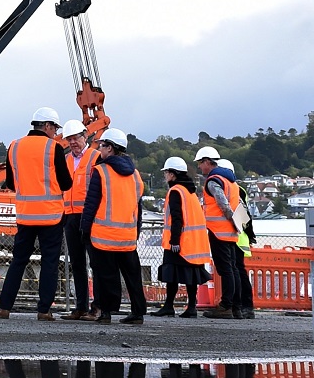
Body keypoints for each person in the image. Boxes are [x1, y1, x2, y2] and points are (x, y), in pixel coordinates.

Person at [0, 105, 70, 320]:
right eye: (55, 128)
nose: (56, 133)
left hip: (25, 215)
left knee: (18, 260)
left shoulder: (14, 146)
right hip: (51, 216)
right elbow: (65, 183)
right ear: (47, 126)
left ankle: (4, 308)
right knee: (50, 262)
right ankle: (44, 310)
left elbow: (11, 183)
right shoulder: (52, 148)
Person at [81, 128, 146, 324]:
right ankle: (137, 312)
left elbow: (91, 203)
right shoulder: (135, 175)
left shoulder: (101, 171)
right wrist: (136, 231)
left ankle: (106, 312)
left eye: (102, 145)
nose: (100, 149)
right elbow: (139, 206)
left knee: (104, 275)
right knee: (133, 276)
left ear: (110, 148)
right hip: (127, 235)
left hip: (103, 234)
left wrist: (84, 228)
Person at [153, 157, 210, 317]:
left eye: (166, 172)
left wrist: (174, 241)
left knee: (172, 274)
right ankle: (191, 307)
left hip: (180, 241)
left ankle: (169, 306)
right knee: (190, 275)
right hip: (193, 242)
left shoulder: (176, 191)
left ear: (173, 174)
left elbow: (177, 218)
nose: (165, 175)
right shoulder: (190, 191)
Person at [194, 148, 244, 319]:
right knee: (234, 269)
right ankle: (237, 306)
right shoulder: (232, 182)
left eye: (200, 163)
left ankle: (226, 306)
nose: (200, 167)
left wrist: (230, 218)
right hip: (231, 232)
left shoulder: (213, 181)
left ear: (208, 161)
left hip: (218, 231)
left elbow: (222, 202)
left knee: (225, 270)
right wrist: (235, 222)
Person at [59, 118, 99, 320]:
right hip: (71, 216)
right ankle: (81, 306)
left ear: (85, 136)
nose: (73, 142)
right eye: (69, 139)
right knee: (77, 263)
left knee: (96, 262)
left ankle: (97, 307)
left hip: (90, 217)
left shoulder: (95, 157)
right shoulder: (65, 161)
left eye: (76, 138)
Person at [219, 159, 255, 317]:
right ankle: (240, 305)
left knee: (238, 271)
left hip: (236, 236)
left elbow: (242, 215)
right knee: (237, 271)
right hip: (237, 235)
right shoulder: (237, 189)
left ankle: (244, 305)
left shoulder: (235, 190)